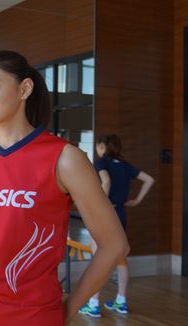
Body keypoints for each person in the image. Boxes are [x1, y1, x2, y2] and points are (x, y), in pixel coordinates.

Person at [0, 50, 129, 325]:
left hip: (34, 315)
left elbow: (114, 246)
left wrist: (67, 310)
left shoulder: (65, 158)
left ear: (24, 89)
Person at [78, 134, 155, 318]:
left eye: (98, 146)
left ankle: (93, 304)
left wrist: (99, 205)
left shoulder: (101, 163)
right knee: (120, 259)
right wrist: (136, 201)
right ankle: (121, 301)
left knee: (98, 259)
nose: (98, 149)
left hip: (106, 215)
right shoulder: (125, 165)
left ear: (102, 147)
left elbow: (106, 181)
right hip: (121, 213)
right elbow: (149, 179)